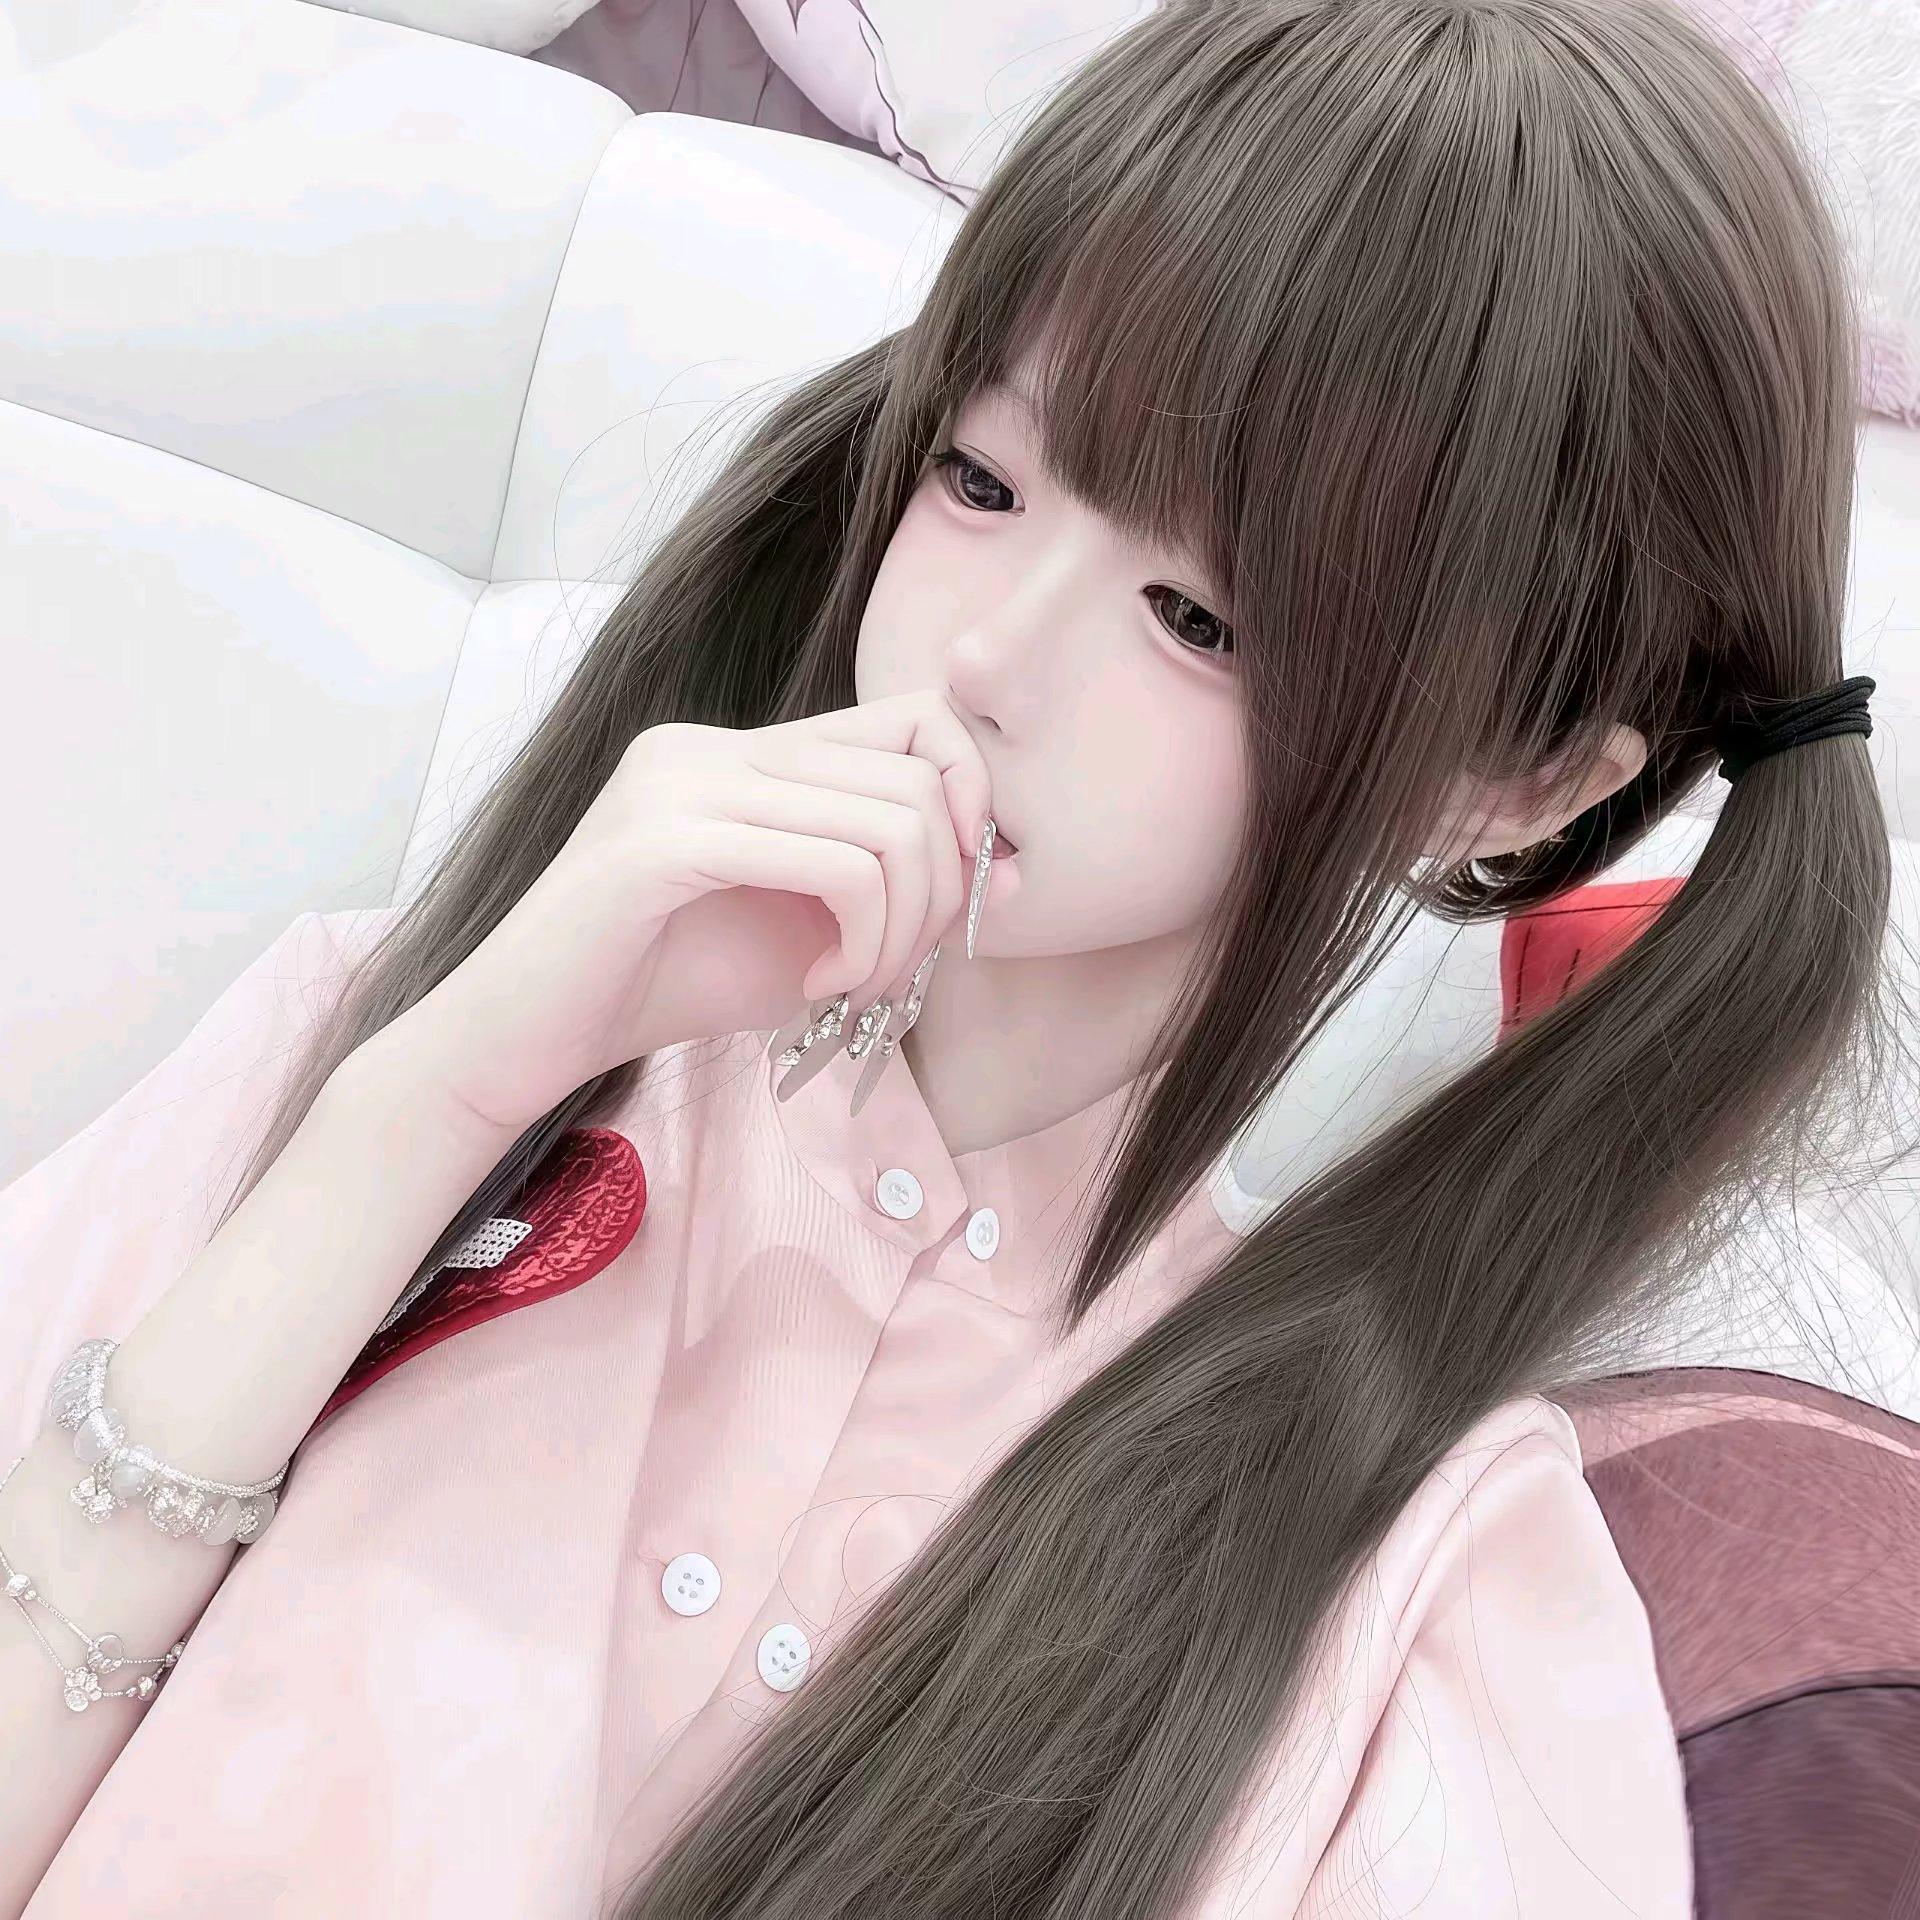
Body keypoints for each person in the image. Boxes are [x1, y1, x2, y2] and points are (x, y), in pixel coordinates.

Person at [0, 0, 1895, 1912]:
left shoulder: (1424, 1593)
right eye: (980, 483)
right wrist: (420, 1112)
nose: (987, 656)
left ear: (1511, 781)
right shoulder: (393, 1047)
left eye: (1199, 618)